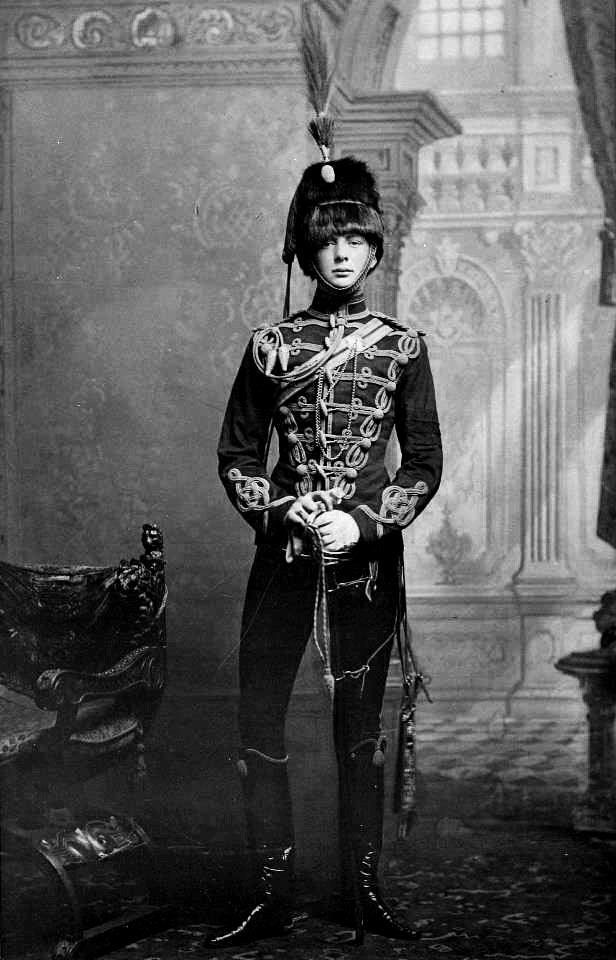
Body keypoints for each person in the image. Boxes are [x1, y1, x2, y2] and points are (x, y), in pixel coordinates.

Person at [213, 154, 442, 947]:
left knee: (360, 729)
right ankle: (269, 896)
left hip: (365, 568)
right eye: (326, 238)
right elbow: (237, 457)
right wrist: (283, 511)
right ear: (305, 251)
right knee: (259, 721)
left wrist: (368, 523)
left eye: (355, 237)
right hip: (282, 560)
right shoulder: (271, 345)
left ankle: (362, 893)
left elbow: (422, 463)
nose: (341, 252)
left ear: (375, 249)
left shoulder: (403, 348)